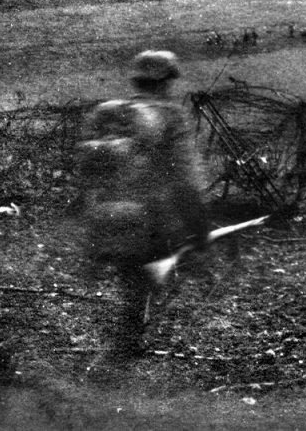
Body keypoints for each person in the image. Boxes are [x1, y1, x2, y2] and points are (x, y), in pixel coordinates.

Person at [76, 51, 210, 367]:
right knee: (150, 280)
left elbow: (87, 176)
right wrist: (199, 226)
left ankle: (127, 344)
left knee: (136, 283)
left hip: (107, 217)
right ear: (166, 82)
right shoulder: (170, 117)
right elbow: (185, 180)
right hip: (149, 220)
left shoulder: (108, 115)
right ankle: (116, 357)